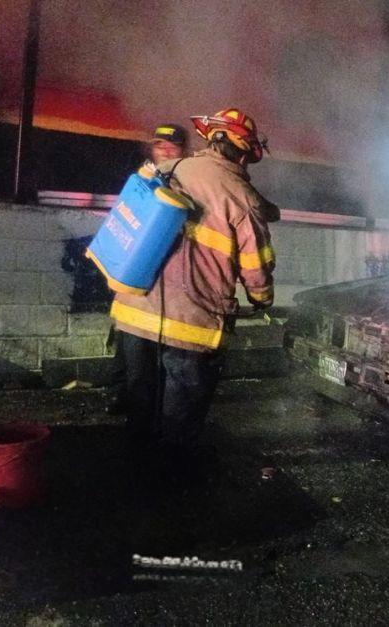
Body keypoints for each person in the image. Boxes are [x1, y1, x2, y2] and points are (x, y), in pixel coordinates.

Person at [109, 108, 278, 472]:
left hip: (134, 312)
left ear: (210, 140)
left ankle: (133, 472)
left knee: (141, 403)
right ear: (245, 153)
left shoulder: (168, 171)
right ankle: (173, 485)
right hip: (191, 323)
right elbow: (256, 267)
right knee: (180, 409)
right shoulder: (241, 198)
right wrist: (262, 299)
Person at [106, 123, 189, 415]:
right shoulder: (141, 182)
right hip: (133, 281)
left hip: (162, 287)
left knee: (142, 355)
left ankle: (136, 410)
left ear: (183, 151)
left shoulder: (186, 186)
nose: (165, 151)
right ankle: (125, 398)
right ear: (150, 149)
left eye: (172, 146)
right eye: (159, 145)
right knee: (129, 346)